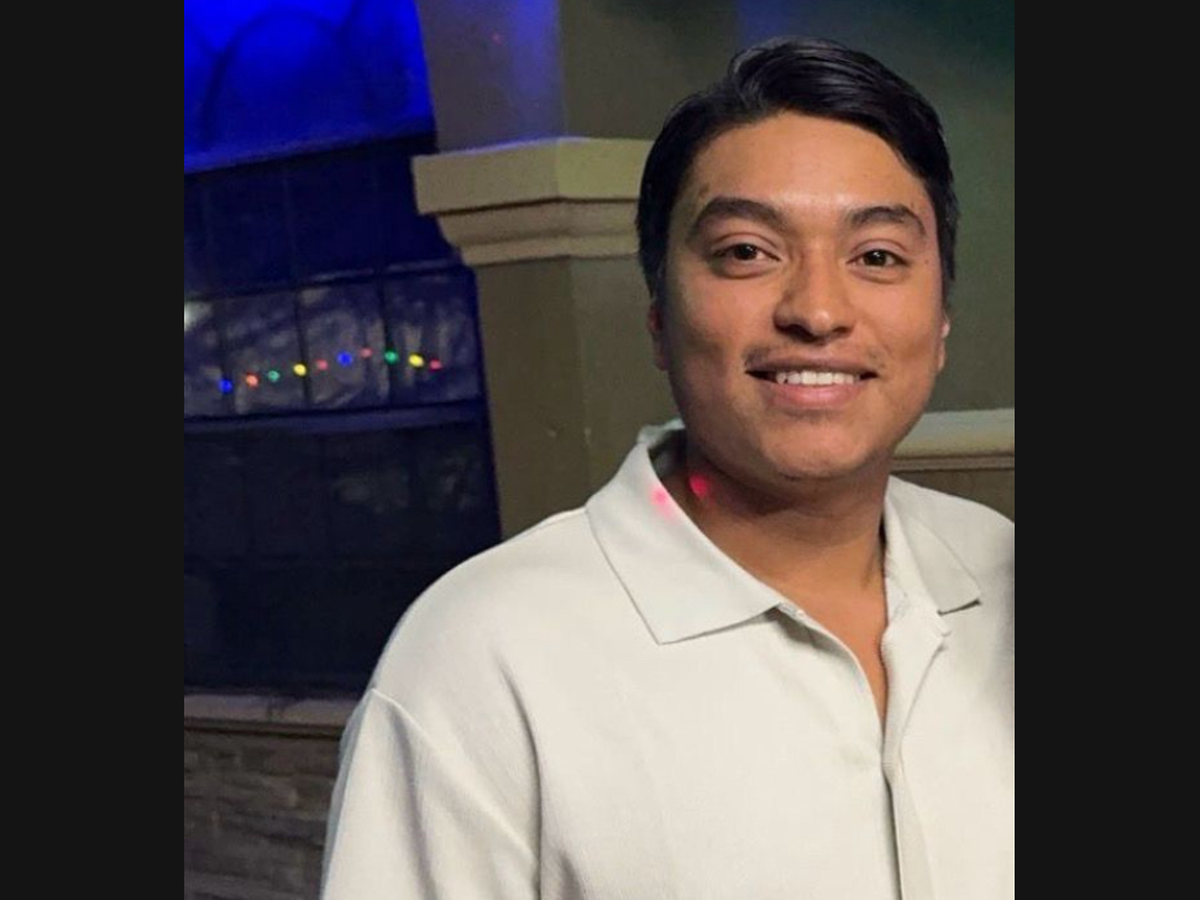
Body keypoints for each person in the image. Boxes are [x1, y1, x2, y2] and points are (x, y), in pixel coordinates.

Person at [321, 36, 1013, 900]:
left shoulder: (1001, 577)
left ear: (940, 322)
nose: (818, 311)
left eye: (877, 256)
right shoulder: (485, 656)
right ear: (659, 315)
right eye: (746, 251)